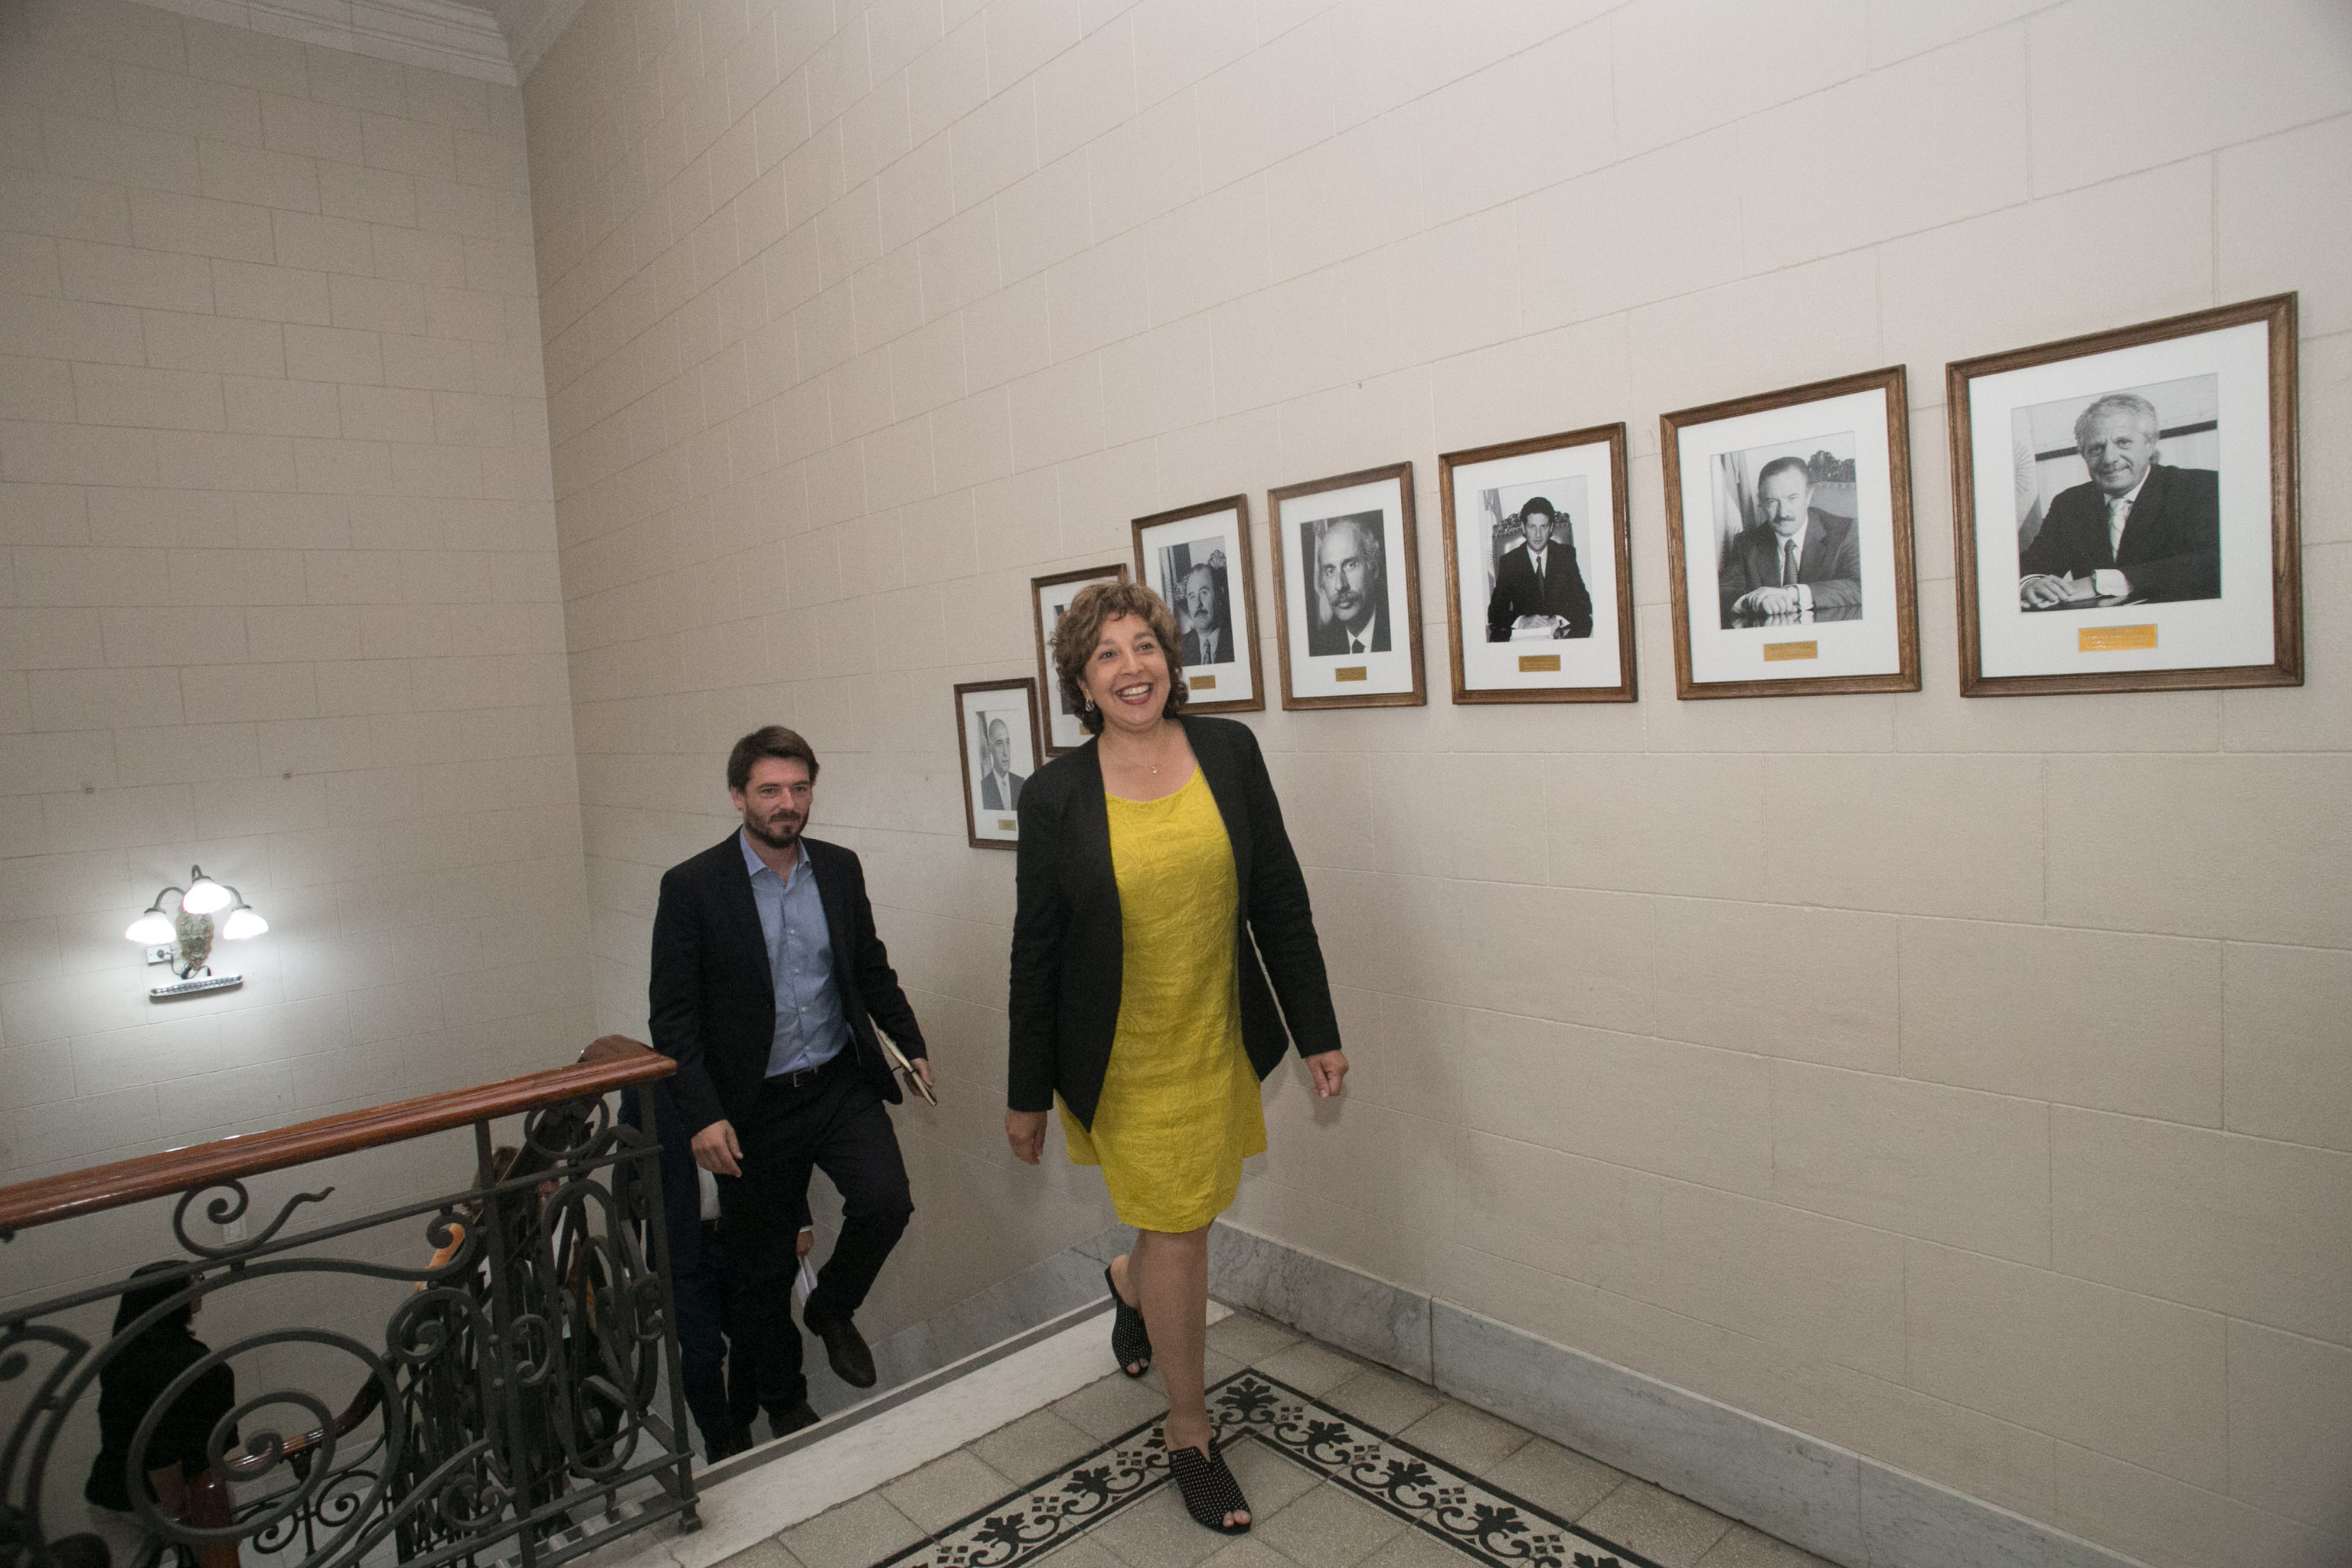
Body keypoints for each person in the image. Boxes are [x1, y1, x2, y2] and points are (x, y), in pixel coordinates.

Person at [1005, 581, 1349, 1536]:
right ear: (1081, 681)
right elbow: (1036, 948)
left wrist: (1317, 1029)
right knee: (1184, 1226)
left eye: (1145, 645)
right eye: (1107, 653)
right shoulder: (1055, 794)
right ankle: (1189, 1430)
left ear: (1171, 658)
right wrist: (1024, 1092)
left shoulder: (1229, 751)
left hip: (1213, 1037)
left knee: (1176, 1225)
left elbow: (1279, 896)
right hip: (1119, 1059)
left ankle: (1128, 1282)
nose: (1133, 666)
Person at [649, 726, 934, 1434]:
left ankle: (831, 1306)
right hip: (753, 1107)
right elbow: (674, 1017)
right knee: (762, 1271)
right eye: (770, 790)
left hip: (837, 1082)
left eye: (799, 788)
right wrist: (702, 1114)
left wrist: (909, 1043)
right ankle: (784, 1401)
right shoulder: (691, 887)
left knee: (887, 1201)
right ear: (738, 796)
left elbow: (868, 967)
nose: (787, 803)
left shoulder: (837, 868)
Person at [620, 1078, 813, 1458]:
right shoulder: (644, 1088)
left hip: (741, 1234)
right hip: (682, 1246)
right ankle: (719, 1441)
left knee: (753, 1332)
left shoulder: (727, 1066)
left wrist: (800, 1219)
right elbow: (626, 1172)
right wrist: (630, 1263)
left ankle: (740, 1423)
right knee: (702, 1352)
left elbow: (774, 1143)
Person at [85, 1263, 240, 1568]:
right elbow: (162, 1456)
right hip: (177, 1493)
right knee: (215, 1559)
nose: (201, 1284)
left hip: (112, 1492)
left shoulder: (122, 1352)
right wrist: (178, 1516)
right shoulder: (182, 1364)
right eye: (193, 1280)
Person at [2017, 391, 2220, 606]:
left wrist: (2101, 583)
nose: (2109, 458)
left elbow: (2212, 563)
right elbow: (2030, 567)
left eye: (2123, 442)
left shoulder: (2201, 487)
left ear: (2150, 444)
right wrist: (2030, 583)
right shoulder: (2070, 504)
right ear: (2083, 455)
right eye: (2096, 448)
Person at [1717, 456, 1862, 626]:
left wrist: (1791, 594)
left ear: (1809, 496)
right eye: (1772, 502)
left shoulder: (1845, 532)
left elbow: (1861, 586)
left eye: (1792, 498)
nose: (1783, 513)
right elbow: (1724, 592)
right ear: (1761, 503)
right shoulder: (1747, 543)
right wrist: (1751, 601)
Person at [1485, 497, 1593, 641]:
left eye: (1543, 527)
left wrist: (1558, 619)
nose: (1538, 535)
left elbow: (1584, 604)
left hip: (1560, 638)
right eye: (1532, 527)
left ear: (1551, 528)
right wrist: (1523, 621)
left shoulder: (1565, 556)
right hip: (1526, 640)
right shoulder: (1510, 562)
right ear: (1523, 528)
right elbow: (1495, 612)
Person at [1304, 516, 1389, 655]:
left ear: (1374, 568)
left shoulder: (1397, 629)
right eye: (1330, 571)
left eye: (1350, 565)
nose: (1340, 585)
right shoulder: (1320, 646)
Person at [1178, 561, 1233, 665]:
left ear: (1218, 595)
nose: (1197, 604)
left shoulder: (1237, 641)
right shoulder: (1179, 648)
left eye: (1203, 593)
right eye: (1192, 596)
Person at [979, 718, 1024, 810]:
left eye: (1007, 743)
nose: (1006, 752)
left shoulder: (1021, 784)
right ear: (990, 748)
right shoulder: (983, 788)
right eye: (999, 744)